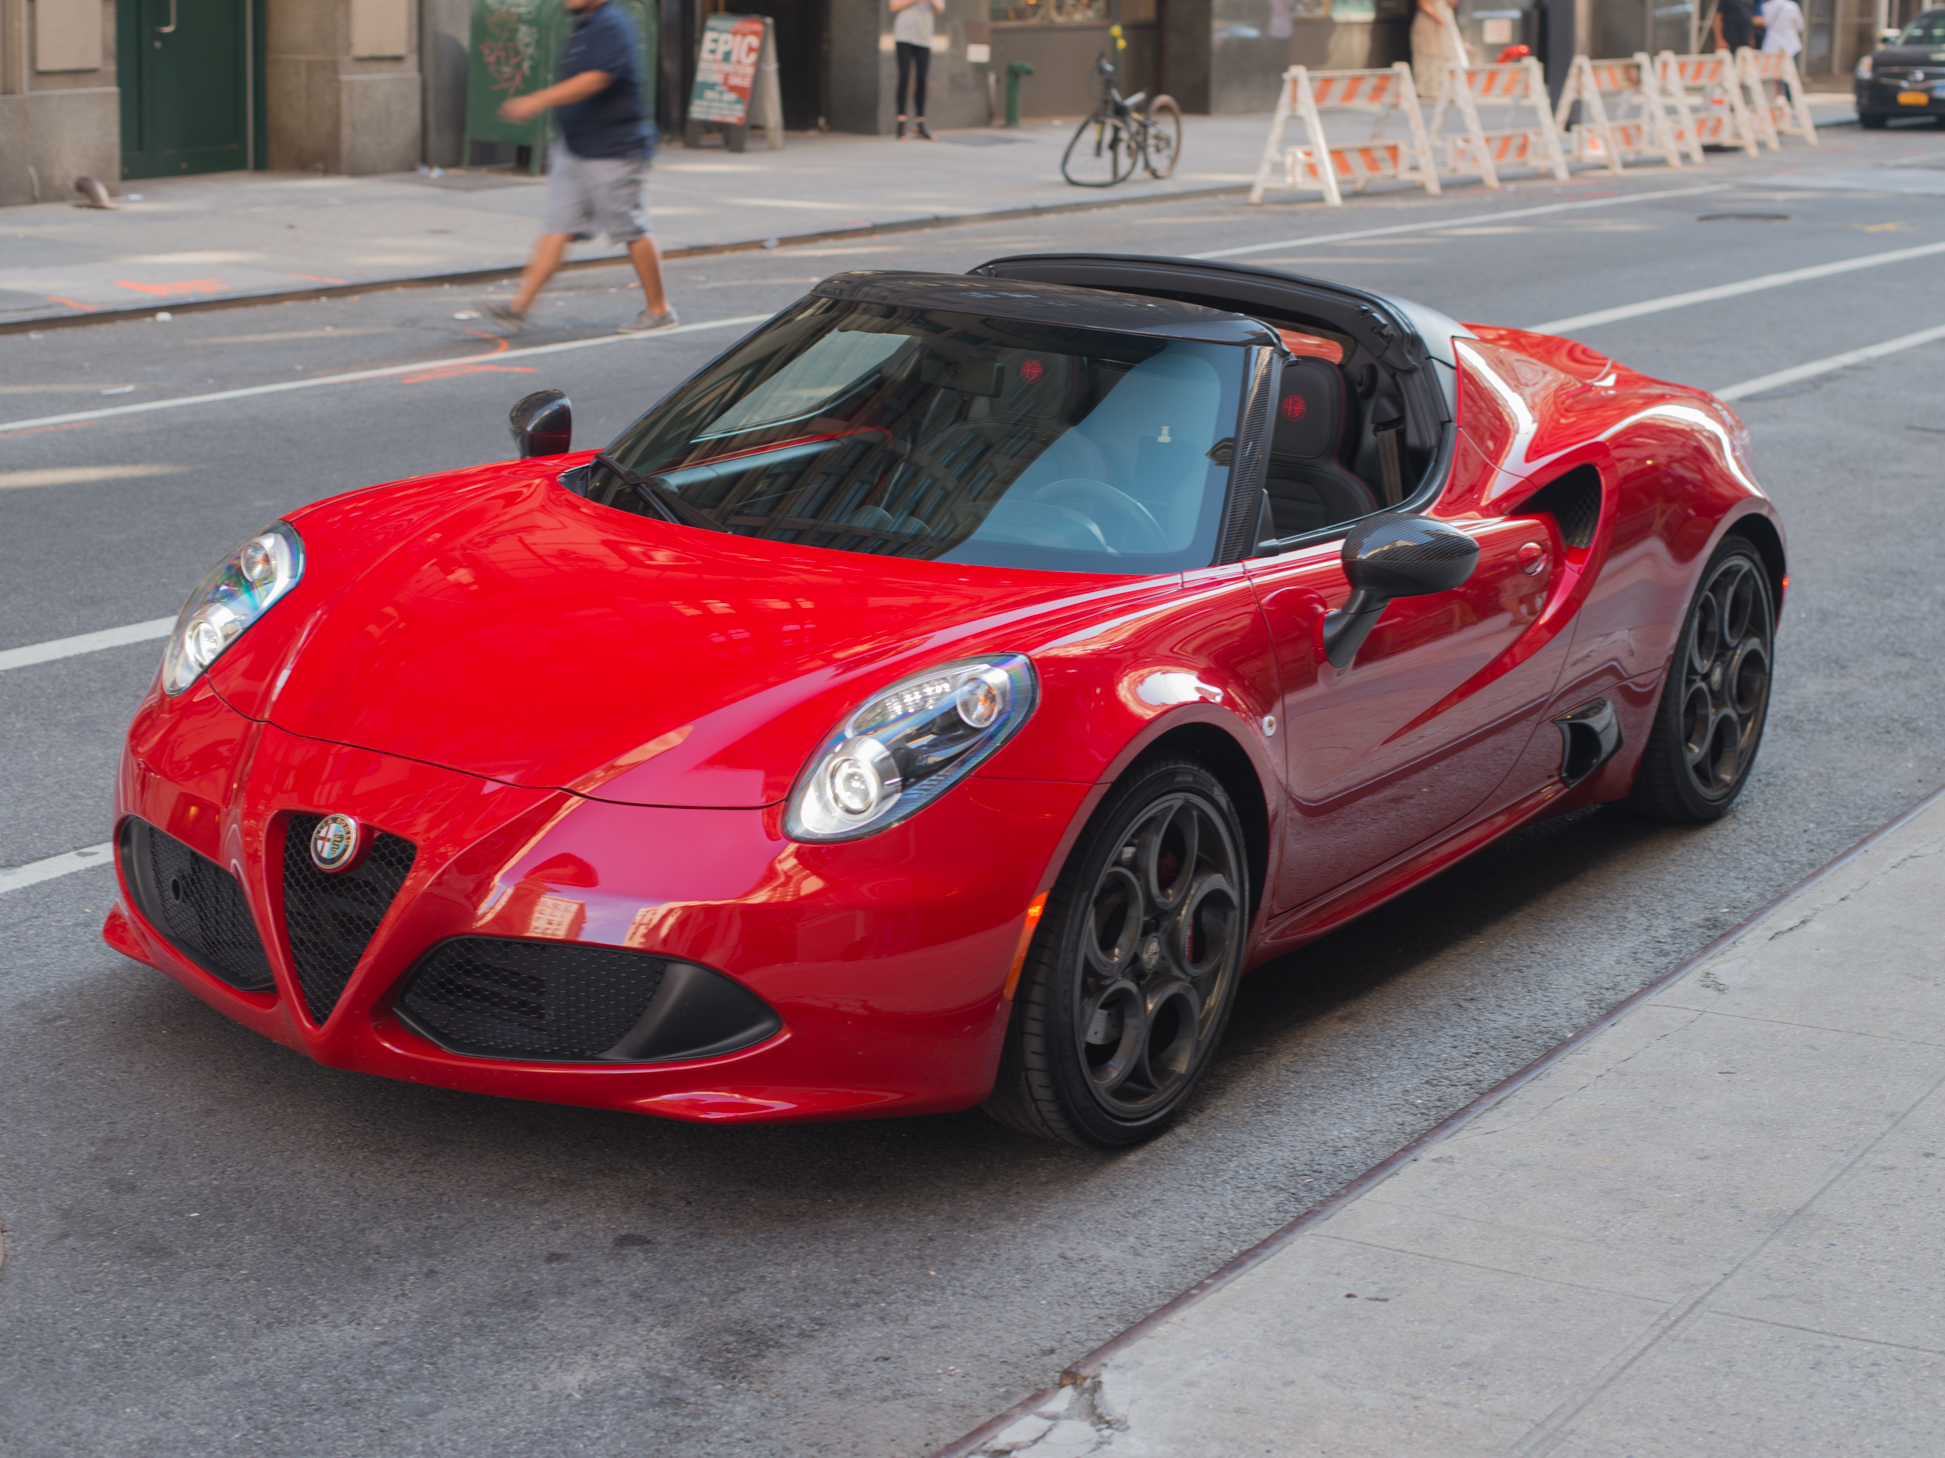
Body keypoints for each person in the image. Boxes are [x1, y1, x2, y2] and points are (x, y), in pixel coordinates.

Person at [480, 0, 674, 335]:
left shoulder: (611, 24)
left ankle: (660, 310)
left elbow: (595, 79)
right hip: (575, 147)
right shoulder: (585, 24)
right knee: (557, 225)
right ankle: (518, 307)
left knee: (631, 228)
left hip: (613, 150)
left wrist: (537, 100)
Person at [891, 0, 944, 140]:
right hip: (903, 35)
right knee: (904, 77)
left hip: (924, 37)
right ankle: (900, 124)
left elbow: (940, 8)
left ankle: (920, 124)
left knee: (922, 79)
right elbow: (893, 6)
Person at [1760, 0, 1806, 93]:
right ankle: (1790, 100)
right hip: (1790, 45)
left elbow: (1764, 24)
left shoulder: (1765, 6)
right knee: (1790, 77)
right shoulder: (1792, 6)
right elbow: (1800, 26)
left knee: (1772, 76)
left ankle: (1774, 97)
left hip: (1771, 46)